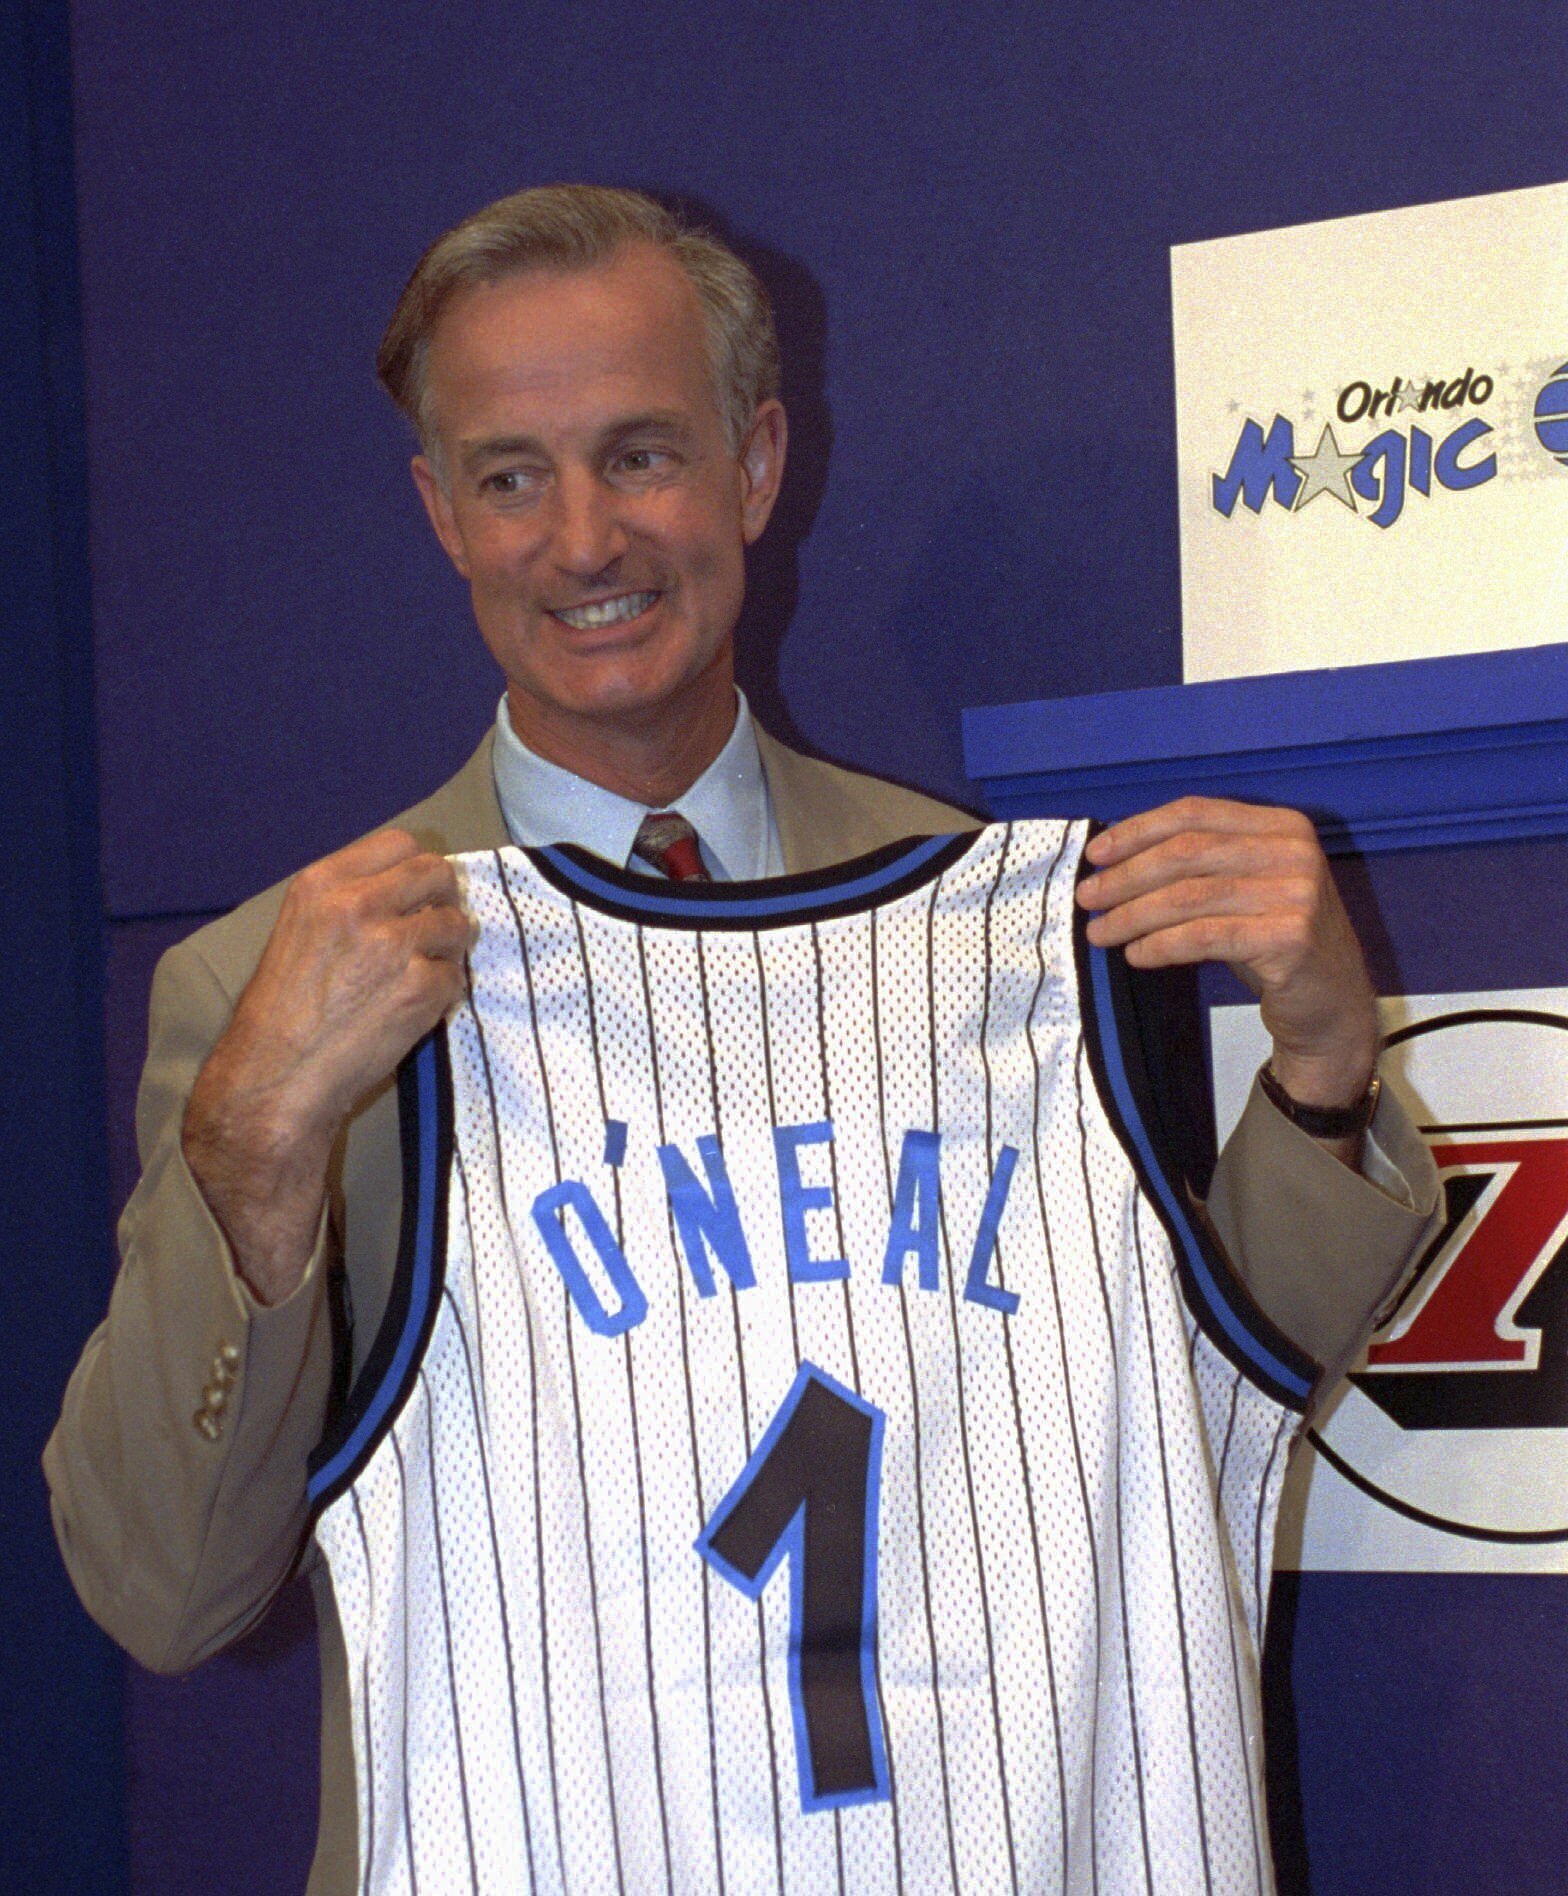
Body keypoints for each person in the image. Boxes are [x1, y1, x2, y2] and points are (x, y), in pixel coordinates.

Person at [47, 185, 1440, 1892]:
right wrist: (254, 1149)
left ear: (756, 466)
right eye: (510, 477)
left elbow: (1191, 1407)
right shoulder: (274, 983)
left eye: (639, 455)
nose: (581, 542)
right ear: (440, 515)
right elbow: (165, 1594)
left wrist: (1320, 1072)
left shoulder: (998, 937)